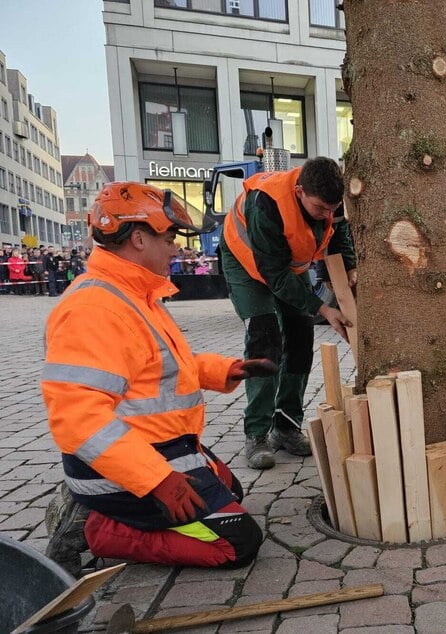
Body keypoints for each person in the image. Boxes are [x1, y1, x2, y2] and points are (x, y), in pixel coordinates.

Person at [41, 182, 272, 576]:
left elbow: (160, 367)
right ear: (138, 239)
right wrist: (156, 481)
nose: (176, 249)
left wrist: (226, 370)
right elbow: (79, 419)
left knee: (231, 489)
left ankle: (102, 506)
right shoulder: (95, 309)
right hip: (127, 467)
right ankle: (97, 527)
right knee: (238, 543)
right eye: (169, 239)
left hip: (161, 448)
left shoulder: (135, 295)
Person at [221, 158, 356, 470]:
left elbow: (339, 232)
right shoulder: (265, 205)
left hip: (285, 267)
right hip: (247, 266)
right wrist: (322, 308)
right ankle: (256, 432)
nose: (327, 215)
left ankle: (285, 425)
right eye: (320, 208)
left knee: (299, 336)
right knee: (265, 337)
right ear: (299, 192)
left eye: (332, 208)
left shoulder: (327, 201)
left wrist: (349, 267)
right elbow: (275, 275)